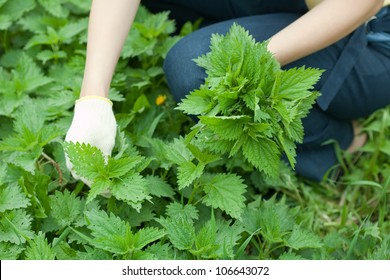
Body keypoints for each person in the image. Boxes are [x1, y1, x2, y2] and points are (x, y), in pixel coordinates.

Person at [65, 0, 389, 182]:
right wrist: (93, 98)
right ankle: (223, 35)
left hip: (368, 30)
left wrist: (248, 65)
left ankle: (340, 142)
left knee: (196, 71)